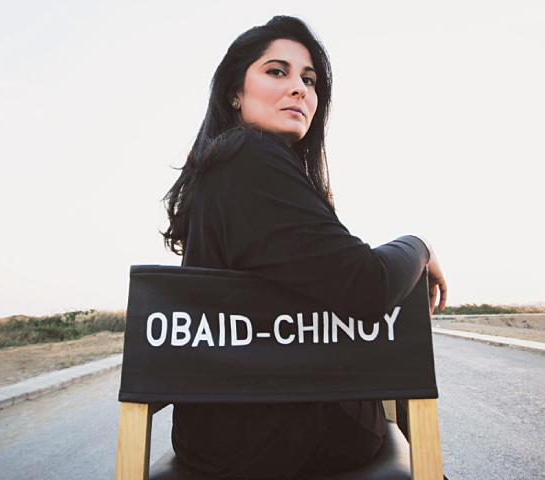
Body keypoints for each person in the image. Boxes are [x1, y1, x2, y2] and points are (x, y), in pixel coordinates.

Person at [162, 15, 447, 479]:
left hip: (216, 433)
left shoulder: (222, 167)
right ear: (234, 92)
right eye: (277, 71)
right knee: (385, 392)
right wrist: (420, 246)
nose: (299, 88)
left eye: (309, 80)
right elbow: (368, 284)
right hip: (270, 434)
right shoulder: (249, 156)